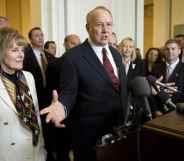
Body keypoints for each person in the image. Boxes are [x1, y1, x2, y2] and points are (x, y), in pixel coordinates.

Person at [41, 6, 128, 161]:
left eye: (109, 24)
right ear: (88, 27)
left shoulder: (115, 54)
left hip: (117, 130)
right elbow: (69, 92)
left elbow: (118, 89)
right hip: (89, 137)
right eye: (99, 24)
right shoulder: (73, 57)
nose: (105, 30)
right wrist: (62, 107)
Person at [0, 27, 46, 161]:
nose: (21, 55)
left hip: (34, 150)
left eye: (22, 50)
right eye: (14, 50)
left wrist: (42, 149)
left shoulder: (28, 77)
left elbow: (35, 115)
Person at [23, 27, 52, 161]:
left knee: (49, 129)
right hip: (34, 98)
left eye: (41, 35)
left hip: (49, 99)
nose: (40, 38)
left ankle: (50, 152)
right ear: (30, 39)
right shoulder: (25, 55)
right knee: (40, 129)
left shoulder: (48, 55)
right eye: (36, 36)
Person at [149, 39, 184, 117]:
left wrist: (162, 90)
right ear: (164, 51)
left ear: (179, 51)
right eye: (167, 49)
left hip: (178, 113)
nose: (170, 52)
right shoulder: (156, 67)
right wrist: (155, 110)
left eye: (173, 49)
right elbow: (151, 90)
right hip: (157, 112)